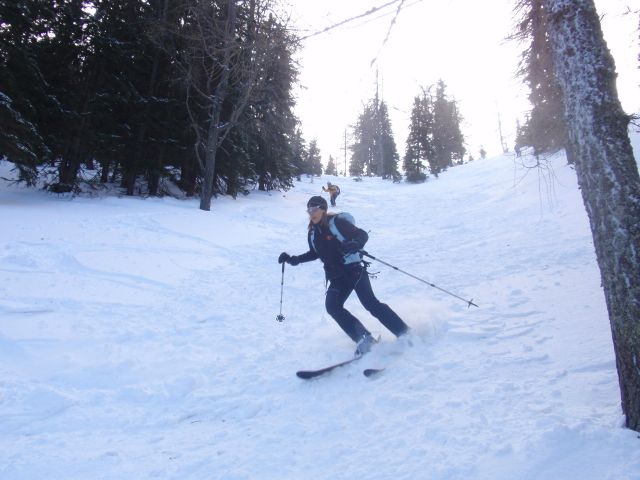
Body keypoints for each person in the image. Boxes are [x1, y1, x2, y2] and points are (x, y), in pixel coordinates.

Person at [278, 196, 409, 355]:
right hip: (336, 276)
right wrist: (294, 259)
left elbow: (362, 234)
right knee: (332, 307)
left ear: (323, 209)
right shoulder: (312, 233)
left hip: (353, 270)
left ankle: (403, 331)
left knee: (371, 304)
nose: (311, 213)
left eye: (315, 209)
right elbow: (315, 253)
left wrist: (355, 243)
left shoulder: (337, 223)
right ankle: (365, 340)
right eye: (309, 210)